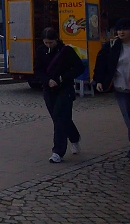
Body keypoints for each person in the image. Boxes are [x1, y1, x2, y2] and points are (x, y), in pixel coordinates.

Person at [92, 18, 130, 169]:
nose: (121, 32)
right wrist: (98, 80)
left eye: (124, 29)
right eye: (118, 30)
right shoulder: (112, 46)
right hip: (120, 89)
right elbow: (101, 63)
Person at [35, 27, 85, 163]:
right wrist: (47, 80)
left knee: (59, 117)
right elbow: (37, 70)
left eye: (51, 42)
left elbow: (80, 67)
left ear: (56, 39)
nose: (48, 45)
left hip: (64, 89)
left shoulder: (66, 51)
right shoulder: (40, 51)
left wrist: (63, 78)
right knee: (61, 119)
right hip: (48, 89)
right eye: (46, 42)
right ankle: (74, 138)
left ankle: (58, 151)